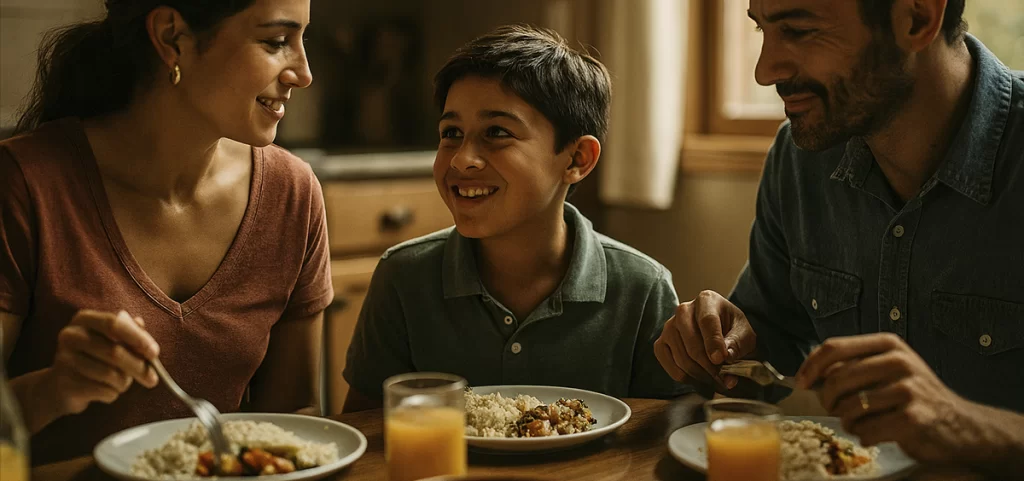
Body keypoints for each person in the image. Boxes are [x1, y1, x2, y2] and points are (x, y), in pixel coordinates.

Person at [655, 0, 1024, 476]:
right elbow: (769, 342)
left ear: (916, 18)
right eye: (761, 30)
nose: (764, 71)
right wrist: (721, 348)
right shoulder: (801, 159)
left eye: (800, 30)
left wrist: (963, 424)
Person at [0, 0, 331, 464]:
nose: (304, 72)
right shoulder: (22, 186)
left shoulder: (291, 193)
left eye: (302, 40)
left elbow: (295, 414)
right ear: (173, 37)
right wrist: (55, 388)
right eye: (276, 42)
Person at [342, 25, 691, 412]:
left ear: (577, 160)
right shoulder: (404, 277)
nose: (461, 159)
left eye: (496, 132)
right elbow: (367, 431)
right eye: (451, 132)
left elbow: (661, 437)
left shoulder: (642, 289)